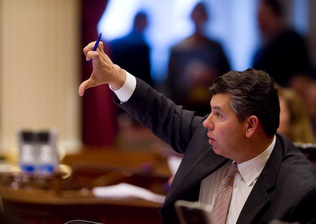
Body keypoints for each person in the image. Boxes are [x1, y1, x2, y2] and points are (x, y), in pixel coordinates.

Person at [79, 41, 316, 224]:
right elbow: (161, 112)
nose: (206, 123)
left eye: (218, 115)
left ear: (250, 126)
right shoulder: (208, 139)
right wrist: (115, 77)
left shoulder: (302, 192)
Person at [166, 2, 230, 116]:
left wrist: (211, 76)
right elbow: (170, 82)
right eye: (196, 16)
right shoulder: (177, 49)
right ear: (191, 17)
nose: (198, 20)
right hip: (184, 107)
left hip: (211, 106)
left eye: (201, 16)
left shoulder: (216, 47)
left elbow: (229, 77)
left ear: (206, 18)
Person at [252, 0, 310, 87]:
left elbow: (301, 75)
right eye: (257, 14)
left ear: (275, 14)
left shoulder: (291, 39)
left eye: (263, 13)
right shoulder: (260, 51)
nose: (258, 19)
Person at [109, 11, 152, 87]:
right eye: (145, 21)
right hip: (136, 87)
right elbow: (145, 76)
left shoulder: (115, 43)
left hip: (118, 84)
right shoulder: (142, 46)